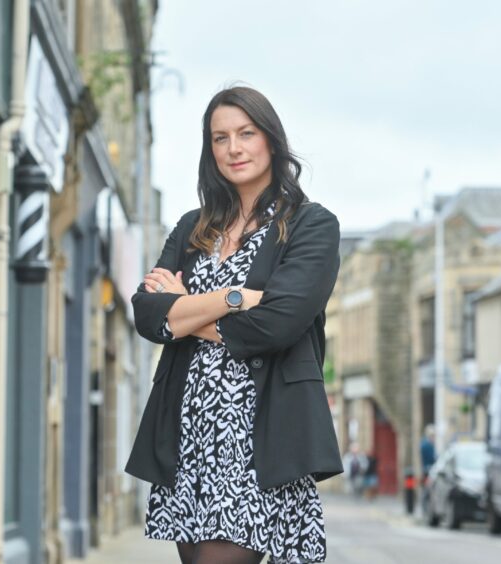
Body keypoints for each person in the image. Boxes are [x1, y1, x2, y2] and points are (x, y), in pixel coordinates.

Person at [125, 86, 343, 564]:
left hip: (260, 438)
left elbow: (277, 325)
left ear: (271, 140)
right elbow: (147, 313)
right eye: (220, 138)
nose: (234, 148)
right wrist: (234, 297)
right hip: (190, 434)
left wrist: (186, 310)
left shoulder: (311, 225)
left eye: (246, 133)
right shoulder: (191, 228)